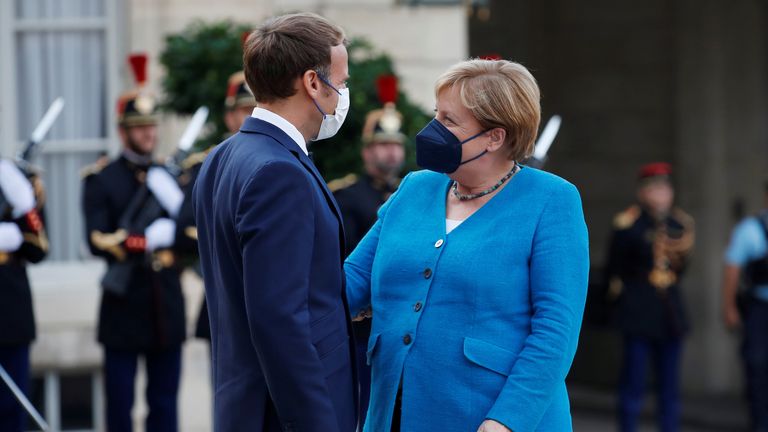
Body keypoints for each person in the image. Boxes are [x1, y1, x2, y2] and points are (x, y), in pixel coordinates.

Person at [345, 59, 590, 432]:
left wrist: (506, 420)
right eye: (436, 115)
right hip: (392, 412)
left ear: (495, 136)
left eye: (449, 121)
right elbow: (353, 279)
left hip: (491, 417)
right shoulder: (415, 187)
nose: (432, 131)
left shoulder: (552, 199)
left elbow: (555, 328)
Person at [192, 13, 357, 431]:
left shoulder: (223, 156)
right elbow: (279, 320)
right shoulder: (278, 171)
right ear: (312, 83)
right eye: (342, 80)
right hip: (284, 415)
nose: (344, 93)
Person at [81, 53, 186, 432]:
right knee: (120, 406)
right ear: (123, 131)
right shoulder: (102, 179)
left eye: (152, 127)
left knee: (164, 406)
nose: (148, 135)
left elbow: (191, 236)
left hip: (165, 303)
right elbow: (95, 240)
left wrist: (172, 229)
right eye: (139, 128)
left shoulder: (169, 177)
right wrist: (144, 240)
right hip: (123, 304)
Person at [330, 74, 405, 426]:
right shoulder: (347, 196)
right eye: (382, 144)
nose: (391, 151)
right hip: (359, 334)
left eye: (396, 144)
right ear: (366, 150)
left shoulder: (413, 194)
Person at [604, 163, 695, 432]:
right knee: (633, 382)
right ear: (642, 192)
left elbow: (683, 267)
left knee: (670, 386)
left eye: (665, 189)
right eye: (654, 189)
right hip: (638, 311)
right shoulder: (628, 224)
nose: (661, 194)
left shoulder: (680, 224)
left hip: (670, 313)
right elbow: (614, 267)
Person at [177, 71, 257, 343]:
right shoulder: (208, 164)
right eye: (245, 110)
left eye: (256, 108)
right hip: (225, 291)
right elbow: (186, 227)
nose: (252, 115)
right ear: (229, 116)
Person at [0, 160, 48, 432]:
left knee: (12, 410)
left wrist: (26, 205)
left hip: (10, 309)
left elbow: (39, 247)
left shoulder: (17, 177)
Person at [722, 182, 768, 431]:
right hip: (759, 308)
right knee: (758, 365)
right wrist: (729, 307)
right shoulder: (751, 229)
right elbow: (732, 270)